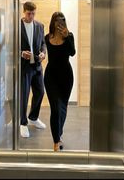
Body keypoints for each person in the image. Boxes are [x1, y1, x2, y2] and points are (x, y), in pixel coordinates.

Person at [44, 12, 76, 151]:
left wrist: (66, 37)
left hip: (66, 77)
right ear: (53, 22)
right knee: (55, 109)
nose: (59, 23)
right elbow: (43, 51)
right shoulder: (47, 37)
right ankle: (56, 141)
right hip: (51, 76)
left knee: (62, 108)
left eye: (62, 20)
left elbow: (72, 52)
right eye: (57, 20)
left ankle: (59, 132)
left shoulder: (69, 36)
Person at [20, 1, 46, 138]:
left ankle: (33, 117)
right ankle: (23, 123)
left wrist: (43, 53)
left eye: (33, 14)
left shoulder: (40, 26)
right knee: (24, 96)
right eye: (29, 13)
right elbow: (9, 45)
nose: (31, 16)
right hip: (24, 67)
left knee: (40, 92)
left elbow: (43, 43)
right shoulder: (16, 26)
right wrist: (20, 53)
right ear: (24, 12)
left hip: (37, 66)